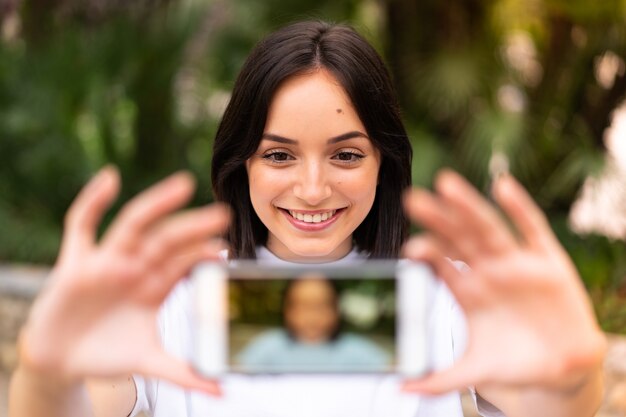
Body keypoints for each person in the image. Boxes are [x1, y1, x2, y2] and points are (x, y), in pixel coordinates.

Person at [9, 20, 605, 417]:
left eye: (345, 154)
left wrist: (575, 377)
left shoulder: (448, 297)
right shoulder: (171, 298)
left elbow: (552, 399)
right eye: (279, 155)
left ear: (383, 163)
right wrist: (45, 369)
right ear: (242, 161)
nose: (313, 189)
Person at [236, 278, 392, 372]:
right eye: (303, 306)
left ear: (336, 310)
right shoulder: (267, 347)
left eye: (321, 306)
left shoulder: (358, 351)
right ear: (288, 311)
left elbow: (392, 375)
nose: (312, 316)